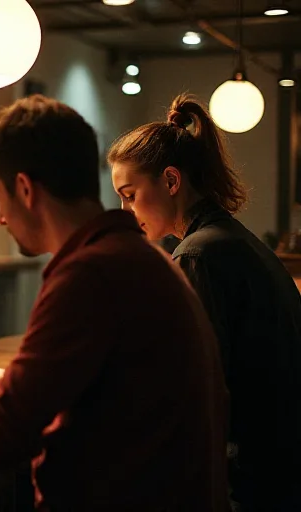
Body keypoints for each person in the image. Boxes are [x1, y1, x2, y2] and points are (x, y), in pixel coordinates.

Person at [0, 95, 229, 510]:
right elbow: (112, 392)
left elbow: (1, 434)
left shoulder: (89, 274)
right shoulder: (136, 255)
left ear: (25, 189)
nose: (1, 217)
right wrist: (11, 385)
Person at [108, 93, 301, 511]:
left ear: (172, 181)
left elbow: (194, 387)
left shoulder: (199, 254)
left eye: (129, 194)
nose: (125, 211)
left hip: (251, 480)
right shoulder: (231, 239)